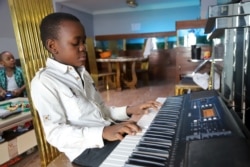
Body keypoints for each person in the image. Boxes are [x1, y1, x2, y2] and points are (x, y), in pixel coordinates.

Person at [30, 12, 161, 167]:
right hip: (87, 150)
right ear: (53, 46)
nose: (83, 48)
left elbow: (102, 112)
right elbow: (55, 134)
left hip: (107, 133)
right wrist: (103, 132)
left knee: (156, 143)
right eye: (75, 43)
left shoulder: (82, 73)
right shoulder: (44, 82)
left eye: (84, 41)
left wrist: (131, 109)